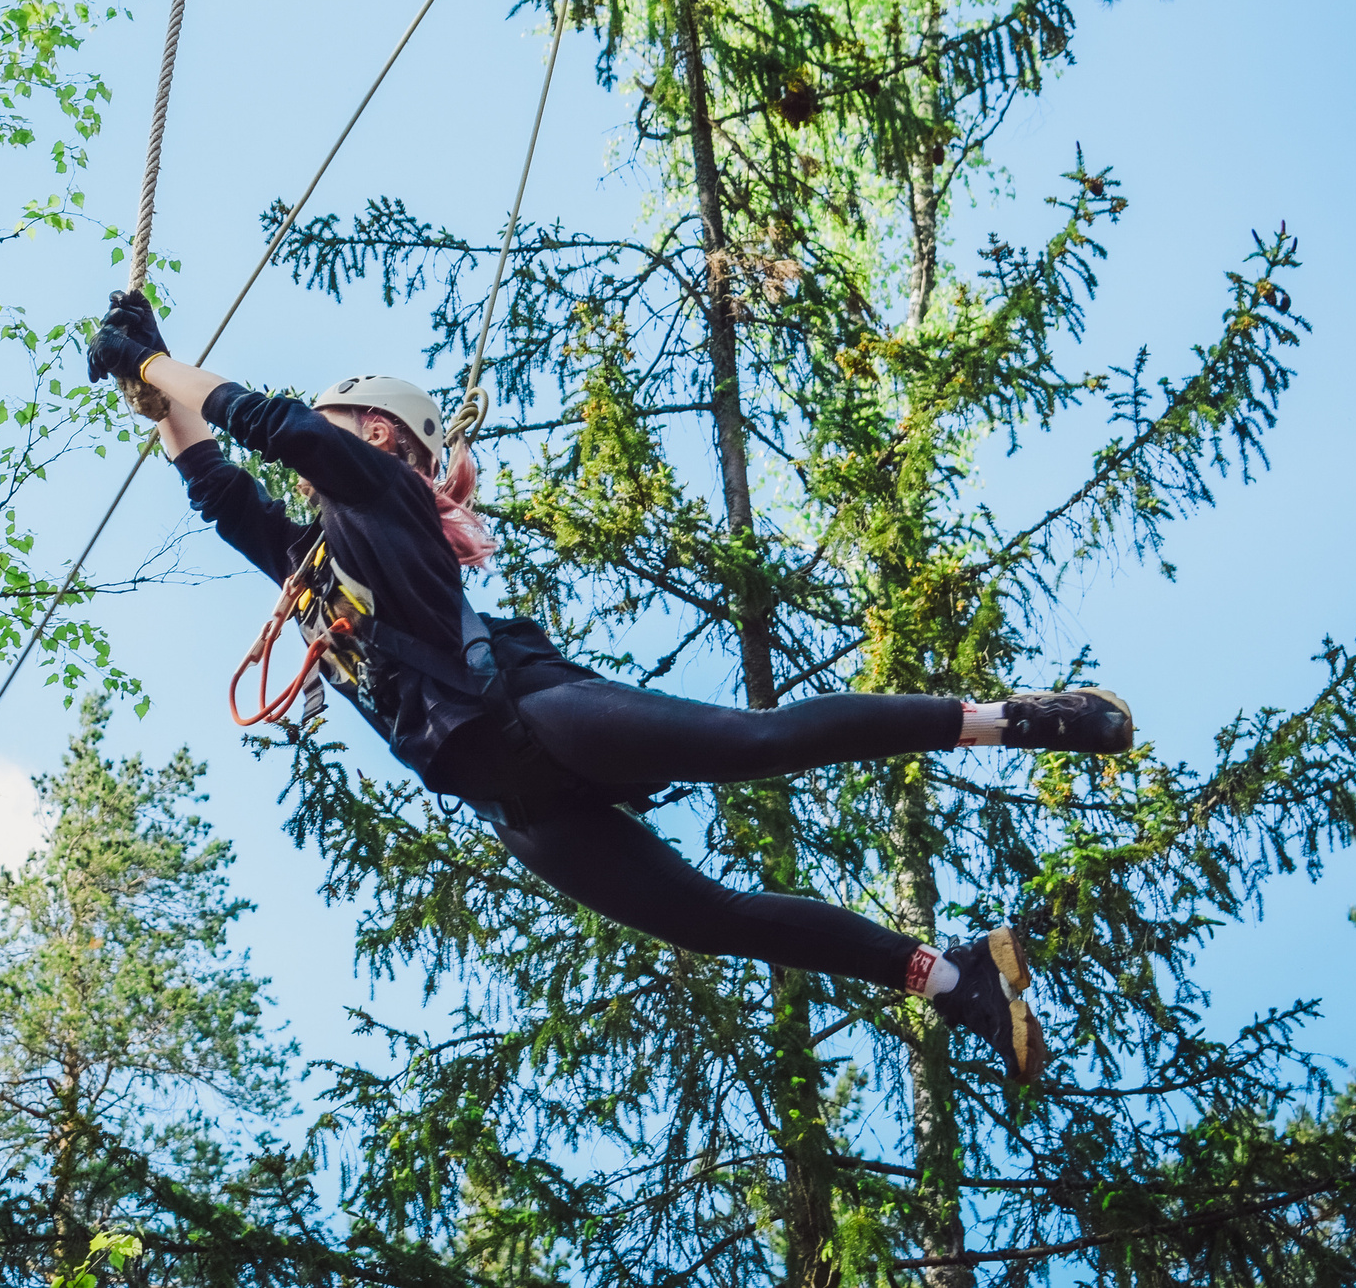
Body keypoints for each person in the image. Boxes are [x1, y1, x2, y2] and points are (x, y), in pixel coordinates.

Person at [87, 291, 1135, 1086]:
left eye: (339, 427)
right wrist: (154, 395)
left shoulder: (379, 491)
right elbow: (223, 493)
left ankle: (1013, 720)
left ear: (379, 436)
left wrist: (158, 360)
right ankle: (957, 984)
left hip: (531, 712)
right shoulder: (317, 560)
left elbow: (278, 429)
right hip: (515, 804)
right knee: (714, 919)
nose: (318, 449)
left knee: (754, 745)